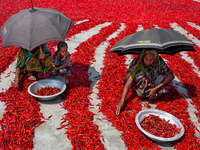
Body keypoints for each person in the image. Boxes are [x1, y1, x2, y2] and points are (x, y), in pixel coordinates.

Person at [116, 49, 175, 115]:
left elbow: (171, 75)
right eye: (146, 59)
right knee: (141, 75)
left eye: (151, 60)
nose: (148, 62)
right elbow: (128, 85)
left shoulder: (158, 60)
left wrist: (156, 88)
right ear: (143, 57)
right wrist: (122, 102)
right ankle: (143, 94)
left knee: (165, 76)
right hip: (142, 85)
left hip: (153, 84)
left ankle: (152, 93)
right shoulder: (137, 64)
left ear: (155, 58)